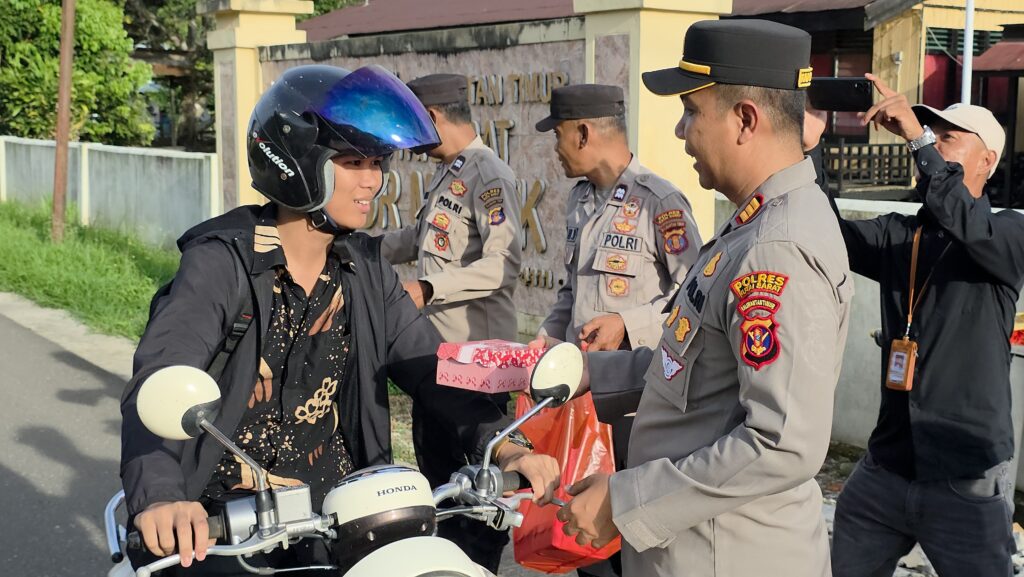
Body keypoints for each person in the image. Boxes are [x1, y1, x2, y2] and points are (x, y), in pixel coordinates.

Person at [120, 64, 558, 576]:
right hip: (225, 522)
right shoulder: (222, 263)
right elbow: (162, 377)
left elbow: (432, 368)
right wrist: (162, 496)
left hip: (337, 518)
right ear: (298, 163)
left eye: (376, 163)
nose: (372, 180)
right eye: (353, 162)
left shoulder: (365, 270)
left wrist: (506, 444)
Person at [537, 20, 853, 577]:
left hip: (726, 556)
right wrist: (596, 373)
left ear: (745, 120)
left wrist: (625, 500)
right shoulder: (755, 222)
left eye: (691, 111)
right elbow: (698, 367)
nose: (681, 131)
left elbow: (782, 442)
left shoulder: (776, 248)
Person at [827, 74, 1024, 577]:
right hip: (888, 466)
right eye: (931, 136)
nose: (933, 146)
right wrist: (806, 146)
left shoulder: (1008, 232)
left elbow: (968, 224)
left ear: (987, 161)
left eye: (947, 139)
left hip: (966, 475)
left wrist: (916, 138)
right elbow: (825, 237)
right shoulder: (902, 234)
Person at [379, 73, 523, 572]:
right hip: (437, 364)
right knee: (441, 484)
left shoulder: (489, 175)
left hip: (476, 369)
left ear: (433, 117)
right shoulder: (450, 173)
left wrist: (428, 287)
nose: (409, 140)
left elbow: (503, 265)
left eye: (414, 125)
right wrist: (358, 248)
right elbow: (417, 239)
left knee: (478, 498)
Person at [535, 83, 701, 355]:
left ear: (583, 134)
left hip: (634, 375)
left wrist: (627, 325)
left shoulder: (659, 202)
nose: (555, 148)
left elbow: (696, 295)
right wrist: (546, 338)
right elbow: (572, 291)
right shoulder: (579, 198)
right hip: (580, 371)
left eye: (558, 135)